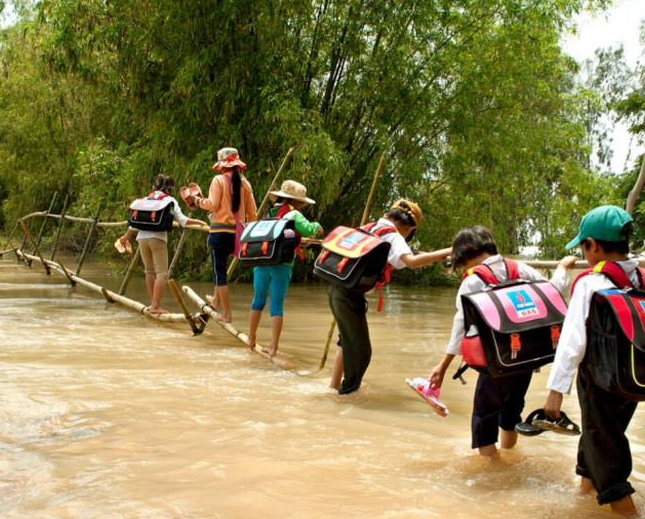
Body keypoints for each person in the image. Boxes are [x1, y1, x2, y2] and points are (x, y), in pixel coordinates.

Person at [427, 225, 575, 456]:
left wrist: (443, 365)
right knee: (512, 409)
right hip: (526, 356)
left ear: (464, 256)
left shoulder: (473, 281)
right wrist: (562, 267)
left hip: (496, 361)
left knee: (485, 414)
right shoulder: (521, 269)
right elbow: (554, 290)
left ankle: (493, 471)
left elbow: (460, 327)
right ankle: (509, 454)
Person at [542, 205, 645, 518]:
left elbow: (573, 340)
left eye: (584, 246)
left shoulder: (590, 282)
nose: (584, 253)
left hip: (599, 381)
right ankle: (583, 494)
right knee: (598, 436)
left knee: (606, 454)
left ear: (594, 246)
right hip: (631, 379)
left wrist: (556, 389)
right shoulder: (639, 277)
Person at [329, 199, 451, 395]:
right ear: (410, 228)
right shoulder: (393, 236)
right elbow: (411, 262)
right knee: (361, 352)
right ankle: (347, 394)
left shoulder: (369, 227)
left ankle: (333, 388)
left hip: (335, 290)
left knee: (346, 341)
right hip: (349, 297)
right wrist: (448, 251)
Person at [246, 179, 324, 357]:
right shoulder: (294, 215)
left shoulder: (268, 213)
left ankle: (251, 338)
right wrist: (317, 227)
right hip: (281, 264)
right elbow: (307, 229)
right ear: (295, 202)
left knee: (258, 300)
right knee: (276, 304)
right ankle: (273, 347)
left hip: (262, 261)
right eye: (301, 203)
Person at [115, 174, 207, 315]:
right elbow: (183, 221)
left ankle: (153, 304)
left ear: (154, 187)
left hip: (142, 239)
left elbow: (134, 223)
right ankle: (155, 306)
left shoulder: (145, 200)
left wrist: (125, 237)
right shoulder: (169, 201)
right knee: (162, 273)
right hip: (157, 238)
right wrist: (200, 222)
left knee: (149, 270)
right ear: (170, 189)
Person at [187, 147, 258, 324]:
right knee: (221, 272)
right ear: (237, 165)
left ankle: (227, 314)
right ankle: (216, 300)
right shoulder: (245, 184)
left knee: (219, 273)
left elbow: (212, 204)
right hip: (237, 235)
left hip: (219, 233)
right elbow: (253, 213)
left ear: (222, 165)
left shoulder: (218, 180)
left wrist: (195, 200)